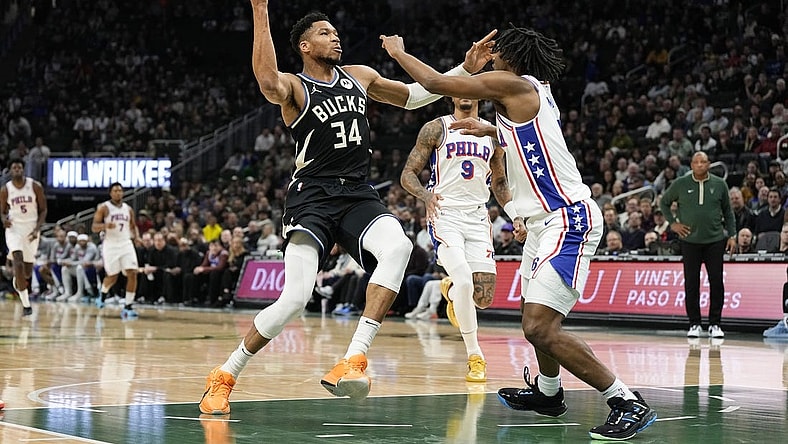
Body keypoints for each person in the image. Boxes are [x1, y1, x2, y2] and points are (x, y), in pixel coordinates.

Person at [199, 1, 492, 416]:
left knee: (399, 248)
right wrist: (260, 9)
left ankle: (352, 359)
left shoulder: (359, 76)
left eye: (336, 32)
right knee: (295, 299)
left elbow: (413, 97)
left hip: (357, 192)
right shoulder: (295, 87)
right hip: (312, 197)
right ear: (304, 45)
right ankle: (225, 375)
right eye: (324, 32)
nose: (335, 37)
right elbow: (266, 79)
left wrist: (464, 71)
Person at [381, 25, 657, 440]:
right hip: (542, 223)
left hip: (568, 218)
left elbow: (436, 84)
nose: (491, 59)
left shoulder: (511, 84)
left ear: (512, 57)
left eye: (497, 54)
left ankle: (626, 401)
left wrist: (399, 52)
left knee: (540, 327)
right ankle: (549, 393)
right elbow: (535, 139)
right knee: (533, 315)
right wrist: (492, 132)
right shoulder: (534, 91)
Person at [400, 96, 513, 382]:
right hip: (445, 212)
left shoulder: (491, 132)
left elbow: (499, 182)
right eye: (459, 89)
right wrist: (426, 196)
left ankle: (449, 291)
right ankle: (475, 356)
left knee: (483, 299)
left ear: (479, 95)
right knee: (465, 279)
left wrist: (515, 215)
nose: (465, 94)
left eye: (471, 89)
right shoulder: (436, 128)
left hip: (478, 217)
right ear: (452, 95)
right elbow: (408, 174)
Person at [659, 152, 736, 339]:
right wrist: (673, 223)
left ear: (709, 164)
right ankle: (694, 323)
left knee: (716, 282)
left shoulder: (719, 184)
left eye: (703, 162)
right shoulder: (680, 183)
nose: (700, 165)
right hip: (689, 241)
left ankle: (715, 324)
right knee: (691, 283)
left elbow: (728, 211)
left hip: (715, 240)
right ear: (691, 165)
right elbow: (664, 202)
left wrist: (732, 234)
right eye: (696, 162)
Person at [0, 158, 47, 316]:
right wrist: (3, 220)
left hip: (31, 229)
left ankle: (18, 281)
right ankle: (27, 305)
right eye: (14, 167)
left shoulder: (35, 186)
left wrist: (37, 229)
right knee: (18, 263)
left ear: (23, 169)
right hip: (14, 229)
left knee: (26, 272)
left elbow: (43, 210)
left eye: (20, 167)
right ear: (10, 171)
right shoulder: (6, 190)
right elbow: (2, 211)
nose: (17, 170)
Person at [91, 182, 141, 319]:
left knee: (132, 273)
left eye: (120, 190)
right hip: (111, 244)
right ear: (110, 193)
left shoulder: (128, 209)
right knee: (113, 276)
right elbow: (94, 227)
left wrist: (137, 237)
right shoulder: (104, 208)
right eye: (115, 190)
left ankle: (128, 305)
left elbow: (133, 225)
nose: (118, 193)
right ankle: (103, 293)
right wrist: (105, 225)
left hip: (126, 243)